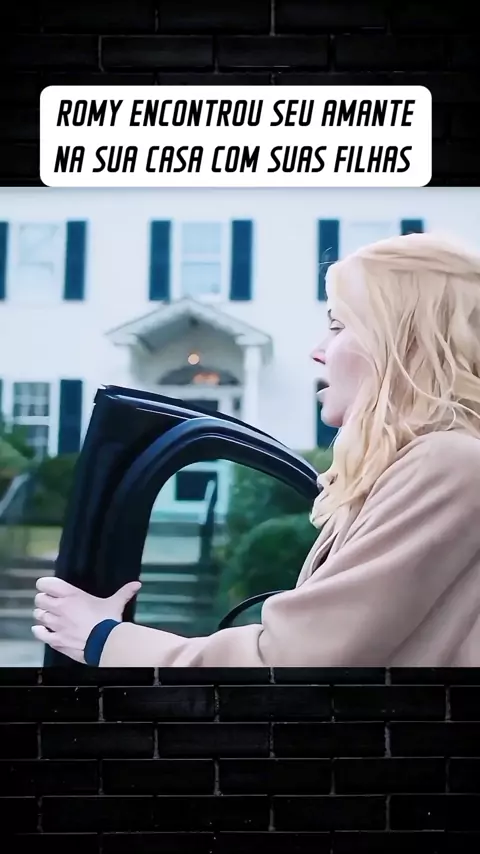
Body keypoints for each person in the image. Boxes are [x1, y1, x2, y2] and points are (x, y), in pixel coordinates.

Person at [32, 231, 480, 667]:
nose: (318, 351)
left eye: (338, 326)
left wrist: (103, 640)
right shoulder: (429, 464)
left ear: (408, 344)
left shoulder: (445, 463)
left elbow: (291, 661)